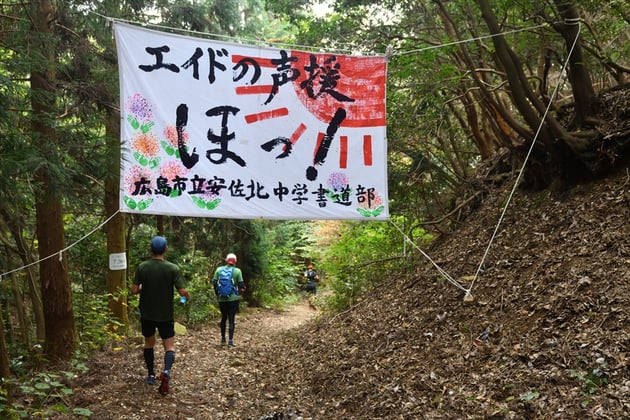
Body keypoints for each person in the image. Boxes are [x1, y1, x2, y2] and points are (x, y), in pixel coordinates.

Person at [131, 236, 189, 396]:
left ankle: (150, 374)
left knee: (149, 343)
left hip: (147, 313)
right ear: (166, 250)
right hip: (165, 315)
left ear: (151, 249)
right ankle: (166, 371)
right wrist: (186, 296)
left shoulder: (142, 267)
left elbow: (134, 290)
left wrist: (143, 287)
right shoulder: (173, 268)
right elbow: (182, 291)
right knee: (169, 346)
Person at [212, 253, 245, 348]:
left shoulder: (219, 270)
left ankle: (223, 339)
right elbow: (241, 285)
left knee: (223, 318)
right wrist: (242, 289)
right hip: (233, 298)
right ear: (235, 261)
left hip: (222, 299)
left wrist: (217, 294)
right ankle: (230, 342)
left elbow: (214, 282)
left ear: (226, 260)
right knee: (231, 319)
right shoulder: (237, 271)